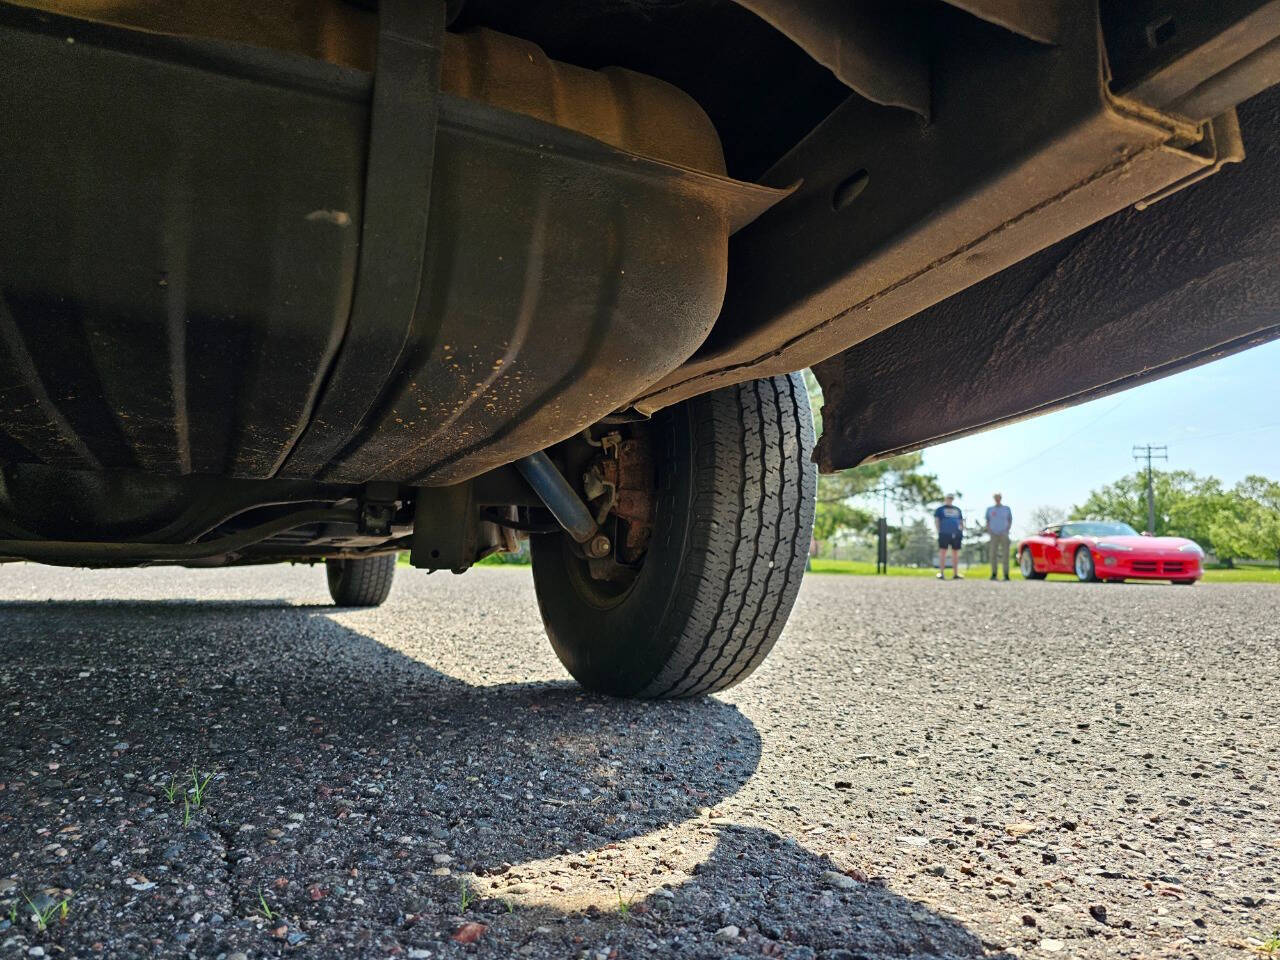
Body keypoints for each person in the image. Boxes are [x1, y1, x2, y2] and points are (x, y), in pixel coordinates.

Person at [934, 494, 964, 580]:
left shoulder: (957, 509)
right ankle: (941, 573)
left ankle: (955, 574)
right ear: (945, 499)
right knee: (943, 552)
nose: (950, 500)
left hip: (956, 533)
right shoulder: (940, 509)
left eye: (951, 498)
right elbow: (937, 520)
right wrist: (938, 530)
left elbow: (961, 521)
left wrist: (962, 530)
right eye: (948, 498)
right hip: (944, 533)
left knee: (955, 553)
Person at [985, 493, 1013, 581]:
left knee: (1005, 554)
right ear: (994, 499)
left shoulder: (1006, 508)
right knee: (993, 554)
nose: (997, 499)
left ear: (1001, 498)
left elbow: (1010, 520)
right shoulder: (989, 509)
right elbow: (987, 521)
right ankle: (994, 574)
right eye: (996, 498)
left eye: (998, 497)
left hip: (1004, 533)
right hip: (993, 534)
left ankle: (1006, 574)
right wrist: (990, 531)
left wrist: (1007, 530)